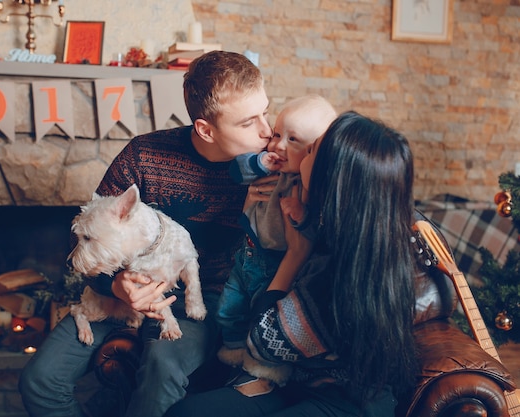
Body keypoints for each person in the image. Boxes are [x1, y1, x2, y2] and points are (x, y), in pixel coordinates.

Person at [18, 50, 273, 417]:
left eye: (265, 111)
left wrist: (254, 212)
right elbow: (87, 238)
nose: (267, 130)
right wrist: (116, 285)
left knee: (161, 367)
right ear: (205, 129)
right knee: (40, 381)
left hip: (203, 300)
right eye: (249, 121)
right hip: (121, 295)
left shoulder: (269, 169)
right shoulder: (143, 155)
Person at [165, 110, 418, 417]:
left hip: (341, 400)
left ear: (333, 179)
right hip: (299, 383)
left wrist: (295, 255)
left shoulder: (340, 270)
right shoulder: (350, 224)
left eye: (310, 149)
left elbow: (262, 343)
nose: (285, 150)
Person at [216, 95, 337, 393]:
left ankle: (265, 366)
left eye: (293, 140)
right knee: (227, 308)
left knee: (259, 312)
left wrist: (301, 214)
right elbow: (237, 171)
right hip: (247, 253)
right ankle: (232, 352)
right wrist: (258, 162)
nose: (278, 145)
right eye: (278, 134)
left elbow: (313, 233)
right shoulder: (269, 167)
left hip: (274, 265)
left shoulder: (308, 186)